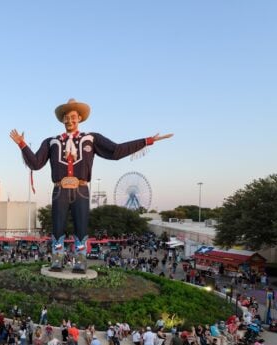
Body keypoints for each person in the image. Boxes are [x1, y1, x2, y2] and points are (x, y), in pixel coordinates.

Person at [10, 98, 172, 268]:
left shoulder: (91, 139)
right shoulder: (51, 142)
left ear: (79, 118)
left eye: (73, 116)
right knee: (57, 227)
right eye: (66, 117)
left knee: (81, 227)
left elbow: (115, 151)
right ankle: (56, 261)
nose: (69, 120)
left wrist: (146, 141)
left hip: (81, 189)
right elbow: (36, 163)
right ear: (62, 119)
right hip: (60, 190)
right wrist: (22, 144)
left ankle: (80, 262)